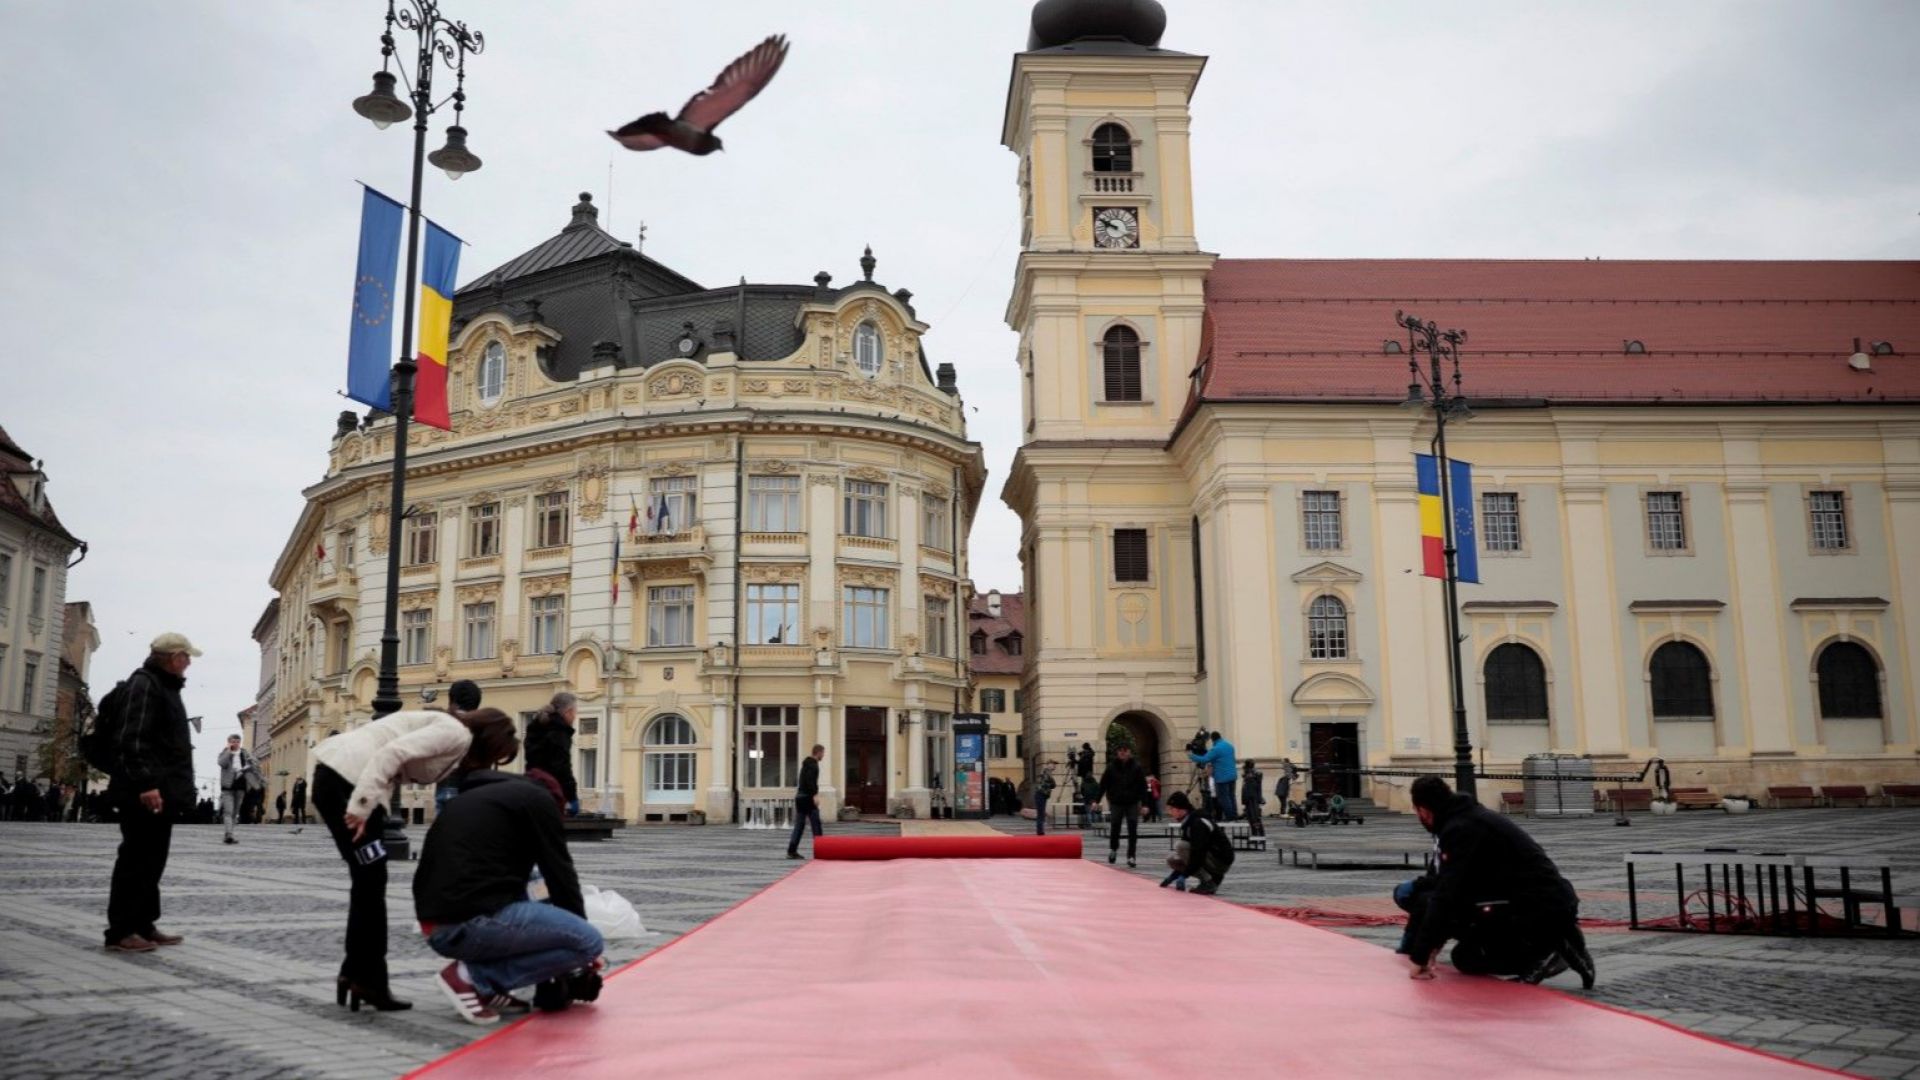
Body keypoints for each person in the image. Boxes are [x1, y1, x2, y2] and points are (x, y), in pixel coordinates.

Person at [310, 705, 501, 1012]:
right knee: (370, 881)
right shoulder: (456, 732)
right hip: (349, 783)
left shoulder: (448, 728)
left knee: (368, 881)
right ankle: (367, 979)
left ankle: (356, 973)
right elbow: (392, 753)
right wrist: (360, 806)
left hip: (338, 776)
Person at [415, 732, 605, 1026]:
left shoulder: (487, 799)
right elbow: (561, 875)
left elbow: (533, 887)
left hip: (437, 924)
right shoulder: (538, 801)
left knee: (545, 916)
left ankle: (487, 989)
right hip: (466, 923)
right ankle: (472, 977)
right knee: (587, 941)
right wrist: (582, 942)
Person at [1402, 775, 1595, 989]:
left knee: (1442, 909)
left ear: (1423, 810)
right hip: (1534, 900)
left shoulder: (1460, 828)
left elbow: (1446, 895)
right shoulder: (1469, 818)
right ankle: (1561, 944)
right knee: (1465, 958)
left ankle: (1549, 952)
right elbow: (1450, 888)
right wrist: (1432, 944)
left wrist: (1419, 958)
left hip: (1538, 906)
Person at [103, 632, 201, 953]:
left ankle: (144, 924)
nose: (188, 664)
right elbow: (132, 740)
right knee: (135, 860)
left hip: (162, 792)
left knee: (152, 861)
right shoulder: (145, 685)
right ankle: (121, 931)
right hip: (143, 793)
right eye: (186, 657)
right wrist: (146, 784)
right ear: (174, 657)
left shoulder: (165, 686)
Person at [1161, 790, 1235, 895]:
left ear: (1181, 810)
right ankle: (1211, 878)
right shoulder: (1189, 821)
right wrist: (1174, 876)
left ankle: (1208, 882)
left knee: (1181, 846)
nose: (1170, 812)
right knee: (1172, 859)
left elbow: (1198, 853)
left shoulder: (1197, 823)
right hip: (1210, 857)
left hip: (1220, 860)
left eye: (1171, 809)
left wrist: (1184, 875)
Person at [524, 691, 580, 816]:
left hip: (532, 785)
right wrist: (572, 797)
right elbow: (562, 766)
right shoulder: (560, 731)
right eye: (575, 712)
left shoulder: (535, 726)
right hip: (552, 790)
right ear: (568, 712)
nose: (575, 717)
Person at [435, 680, 483, 816]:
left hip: (447, 786)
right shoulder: (482, 724)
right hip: (475, 789)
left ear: (452, 701)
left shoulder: (445, 723)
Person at [1098, 744, 1148, 868]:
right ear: (1117, 753)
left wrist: (1145, 804)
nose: (1122, 753)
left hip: (1132, 802)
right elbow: (1103, 784)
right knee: (1115, 826)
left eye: (1125, 750)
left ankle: (1131, 856)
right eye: (1120, 750)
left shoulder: (1136, 767)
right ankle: (1113, 849)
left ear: (1129, 752)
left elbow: (1143, 787)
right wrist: (1096, 800)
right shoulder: (1111, 767)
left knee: (1132, 828)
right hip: (1116, 802)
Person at [1188, 731, 1239, 821]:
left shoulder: (1216, 749)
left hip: (1222, 777)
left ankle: (1230, 817)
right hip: (1232, 775)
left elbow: (1204, 759)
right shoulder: (1230, 746)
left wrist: (1191, 755)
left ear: (1212, 739)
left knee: (1224, 798)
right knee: (1231, 796)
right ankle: (1234, 815)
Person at [785, 744, 825, 859]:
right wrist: (815, 795)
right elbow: (810, 781)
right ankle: (821, 850)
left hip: (800, 797)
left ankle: (791, 851)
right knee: (816, 825)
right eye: (823, 753)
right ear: (818, 752)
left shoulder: (805, 764)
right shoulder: (813, 765)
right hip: (808, 798)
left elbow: (804, 780)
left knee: (799, 825)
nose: (823, 755)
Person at [216, 735, 256, 844]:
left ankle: (230, 834)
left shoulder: (244, 753)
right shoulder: (224, 753)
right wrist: (229, 750)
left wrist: (250, 764)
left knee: (235, 812)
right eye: (233, 742)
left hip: (241, 786)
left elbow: (253, 765)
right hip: (228, 787)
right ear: (229, 742)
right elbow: (221, 763)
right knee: (228, 811)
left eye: (238, 742)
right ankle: (229, 834)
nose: (236, 744)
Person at [1240, 760, 1266, 837]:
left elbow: (1253, 788)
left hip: (1252, 799)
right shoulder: (1250, 775)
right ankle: (1256, 834)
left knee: (1255, 818)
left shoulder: (1252, 775)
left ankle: (1259, 835)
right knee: (1252, 818)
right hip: (1250, 799)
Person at [1032, 764, 1056, 835]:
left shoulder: (1044, 775)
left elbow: (1053, 785)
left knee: (1041, 813)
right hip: (1041, 795)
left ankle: (1040, 830)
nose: (1052, 771)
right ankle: (1040, 831)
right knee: (1040, 814)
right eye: (1051, 769)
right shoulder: (1046, 775)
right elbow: (1053, 785)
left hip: (1041, 795)